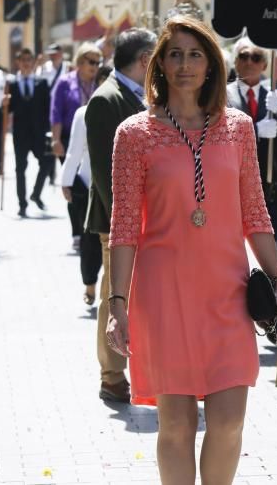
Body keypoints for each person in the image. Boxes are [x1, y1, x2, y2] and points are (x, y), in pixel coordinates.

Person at [105, 16, 277, 485]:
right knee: (177, 425)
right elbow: (124, 225)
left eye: (195, 54)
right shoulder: (134, 133)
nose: (184, 64)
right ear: (159, 64)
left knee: (228, 423)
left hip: (227, 290)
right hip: (163, 293)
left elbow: (255, 212)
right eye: (174, 54)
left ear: (211, 64)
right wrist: (117, 304)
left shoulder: (239, 128)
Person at [86, 27, 157, 403]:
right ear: (145, 60)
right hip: (120, 223)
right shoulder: (106, 100)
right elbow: (103, 174)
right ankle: (112, 375)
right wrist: (127, 225)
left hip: (153, 217)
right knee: (116, 296)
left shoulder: (149, 97)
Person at [62, 65, 113, 305]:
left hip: (116, 189)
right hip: (87, 186)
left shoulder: (128, 109)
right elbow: (73, 152)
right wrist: (66, 181)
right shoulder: (83, 113)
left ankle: (109, 289)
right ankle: (90, 285)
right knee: (89, 242)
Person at [227, 37, 277, 225]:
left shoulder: (275, 98)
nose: (249, 62)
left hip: (269, 187)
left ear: (265, 65)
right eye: (243, 56)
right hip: (234, 185)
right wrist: (255, 131)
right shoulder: (222, 95)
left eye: (256, 57)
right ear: (235, 62)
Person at [52, 42, 102, 251]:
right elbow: (55, 112)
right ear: (80, 62)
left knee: (89, 185)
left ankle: (88, 227)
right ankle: (77, 232)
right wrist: (56, 140)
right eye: (91, 62)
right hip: (68, 140)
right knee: (72, 184)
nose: (95, 66)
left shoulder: (100, 84)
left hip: (92, 142)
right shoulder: (65, 83)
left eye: (98, 62)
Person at [7, 48, 54, 217]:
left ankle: (36, 193)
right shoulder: (11, 84)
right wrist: (4, 104)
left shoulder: (41, 84)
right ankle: (22, 204)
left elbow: (49, 109)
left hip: (39, 133)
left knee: (48, 162)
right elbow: (7, 110)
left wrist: (51, 130)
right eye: (23, 60)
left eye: (29, 59)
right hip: (20, 134)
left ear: (34, 62)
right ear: (18, 62)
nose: (26, 63)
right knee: (20, 169)